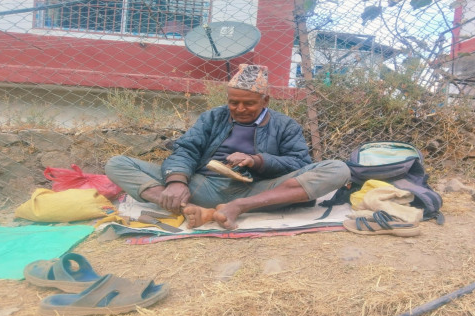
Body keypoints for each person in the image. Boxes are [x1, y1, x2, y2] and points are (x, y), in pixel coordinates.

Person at [105, 64, 350, 230]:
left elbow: (299, 163)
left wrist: (257, 161)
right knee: (117, 163)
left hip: (257, 191)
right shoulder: (213, 117)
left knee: (338, 169)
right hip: (201, 186)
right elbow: (187, 149)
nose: (240, 109)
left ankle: (236, 208)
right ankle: (187, 208)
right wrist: (177, 181)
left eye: (249, 103)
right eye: (234, 102)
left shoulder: (285, 125)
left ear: (265, 100)